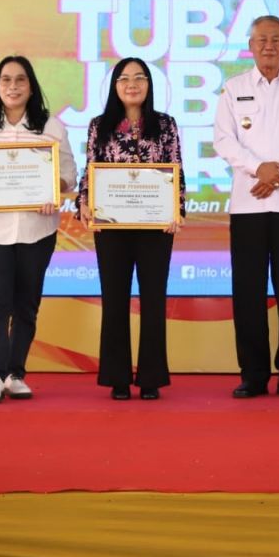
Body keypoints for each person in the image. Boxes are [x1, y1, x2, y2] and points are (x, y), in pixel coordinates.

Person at [0, 55, 77, 403]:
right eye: (6, 80)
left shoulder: (50, 126)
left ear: (31, 85)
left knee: (26, 304)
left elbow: (69, 173)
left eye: (20, 80)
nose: (13, 86)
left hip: (38, 227)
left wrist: (56, 187)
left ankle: (15, 373)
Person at [213, 14, 279, 398]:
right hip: (247, 206)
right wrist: (256, 169)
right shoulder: (233, 88)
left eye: (276, 39)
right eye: (261, 39)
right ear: (250, 44)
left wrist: (278, 172)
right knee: (248, 292)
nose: (269, 46)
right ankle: (253, 374)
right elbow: (224, 142)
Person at [76, 58, 185, 400]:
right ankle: (117, 377)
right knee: (115, 300)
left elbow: (177, 166)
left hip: (155, 226)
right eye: (124, 78)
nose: (132, 84)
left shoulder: (165, 124)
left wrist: (176, 209)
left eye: (140, 78)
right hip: (111, 226)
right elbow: (90, 168)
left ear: (149, 85)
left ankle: (151, 377)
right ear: (115, 86)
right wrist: (83, 200)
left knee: (154, 300)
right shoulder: (100, 125)